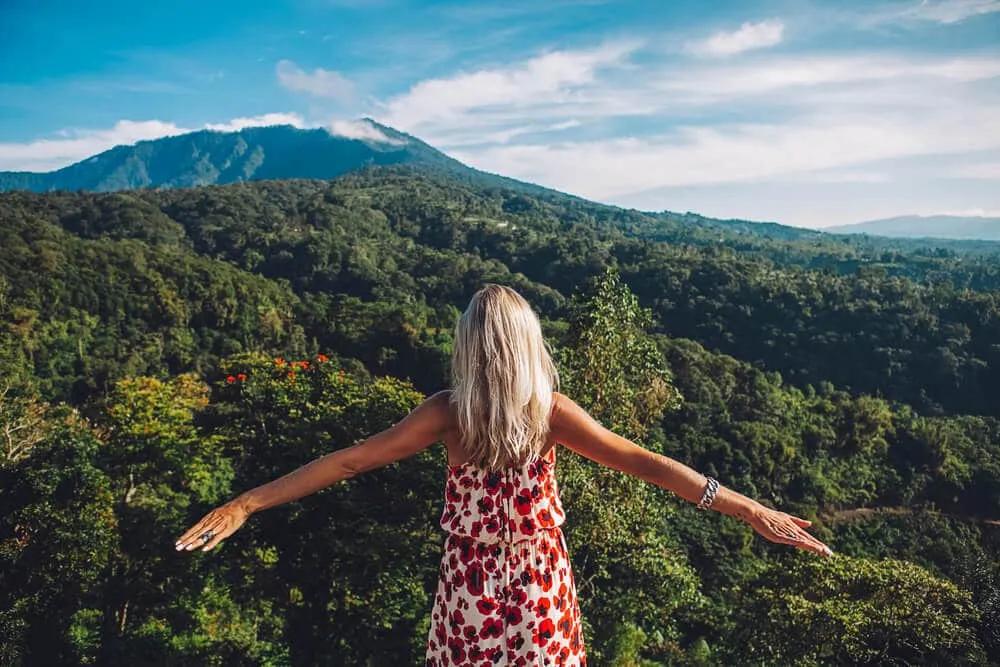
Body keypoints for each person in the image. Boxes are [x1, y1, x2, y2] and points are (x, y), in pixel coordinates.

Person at [175, 283, 833, 665]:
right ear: (526, 347)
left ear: (468, 346)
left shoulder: (449, 414)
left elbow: (350, 459)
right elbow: (647, 464)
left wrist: (251, 501)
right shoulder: (545, 413)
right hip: (540, 585)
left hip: (471, 589)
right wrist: (748, 509)